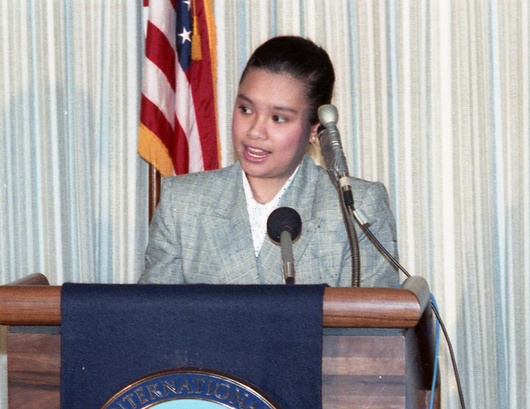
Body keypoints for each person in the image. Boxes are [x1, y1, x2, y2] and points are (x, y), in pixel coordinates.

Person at [138, 35, 400, 287]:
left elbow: (373, 329)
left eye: (278, 118)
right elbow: (151, 320)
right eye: (246, 110)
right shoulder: (182, 204)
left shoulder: (356, 209)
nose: (254, 131)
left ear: (314, 130)